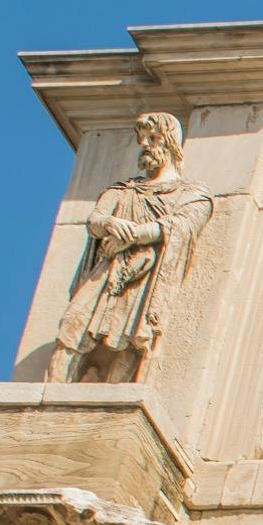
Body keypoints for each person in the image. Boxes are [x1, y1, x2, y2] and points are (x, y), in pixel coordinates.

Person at [58, 113, 211, 382]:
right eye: (142, 138)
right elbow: (95, 220)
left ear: (170, 142)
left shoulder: (191, 194)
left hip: (144, 275)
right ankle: (56, 388)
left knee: (132, 338)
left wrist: (137, 234)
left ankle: (115, 395)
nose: (145, 144)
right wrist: (109, 222)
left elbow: (183, 223)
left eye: (153, 138)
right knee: (71, 325)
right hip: (106, 271)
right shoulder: (124, 190)